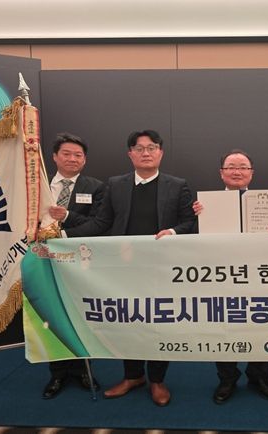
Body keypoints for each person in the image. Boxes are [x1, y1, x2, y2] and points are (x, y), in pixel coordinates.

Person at [66, 129, 196, 406]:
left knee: (160, 322)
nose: (145, 153)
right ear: (130, 154)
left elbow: (190, 223)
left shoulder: (178, 185)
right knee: (129, 321)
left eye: (151, 148)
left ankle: (157, 380)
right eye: (139, 148)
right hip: (124, 267)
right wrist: (63, 237)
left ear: (161, 152)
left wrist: (173, 232)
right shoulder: (115, 185)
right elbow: (101, 223)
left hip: (163, 267)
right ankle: (133, 376)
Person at [193, 150, 268, 404]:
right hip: (221, 277)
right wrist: (197, 217)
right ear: (221, 173)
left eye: (243, 167)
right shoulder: (205, 204)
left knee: (260, 325)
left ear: (252, 173)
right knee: (224, 327)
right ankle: (227, 378)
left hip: (259, 276)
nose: (237, 171)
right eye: (231, 166)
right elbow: (191, 234)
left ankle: (259, 376)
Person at [42, 132, 103, 399]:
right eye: (66, 153)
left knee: (80, 313)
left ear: (84, 160)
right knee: (51, 315)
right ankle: (57, 373)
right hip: (43, 258)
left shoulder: (96, 187)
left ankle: (82, 370)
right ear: (55, 157)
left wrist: (66, 218)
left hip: (80, 260)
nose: (72, 159)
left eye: (78, 155)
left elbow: (99, 223)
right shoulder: (37, 185)